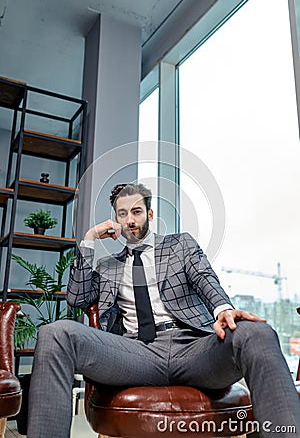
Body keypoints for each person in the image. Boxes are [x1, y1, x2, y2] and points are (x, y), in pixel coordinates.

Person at [27, 183, 300, 438]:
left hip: (192, 350)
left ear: (150, 213)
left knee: (257, 333)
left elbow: (204, 278)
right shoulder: (108, 265)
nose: (130, 220)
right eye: (122, 214)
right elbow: (77, 298)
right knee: (55, 333)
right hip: (135, 353)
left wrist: (222, 308)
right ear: (116, 220)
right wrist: (88, 241)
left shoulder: (179, 245)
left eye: (136, 211)